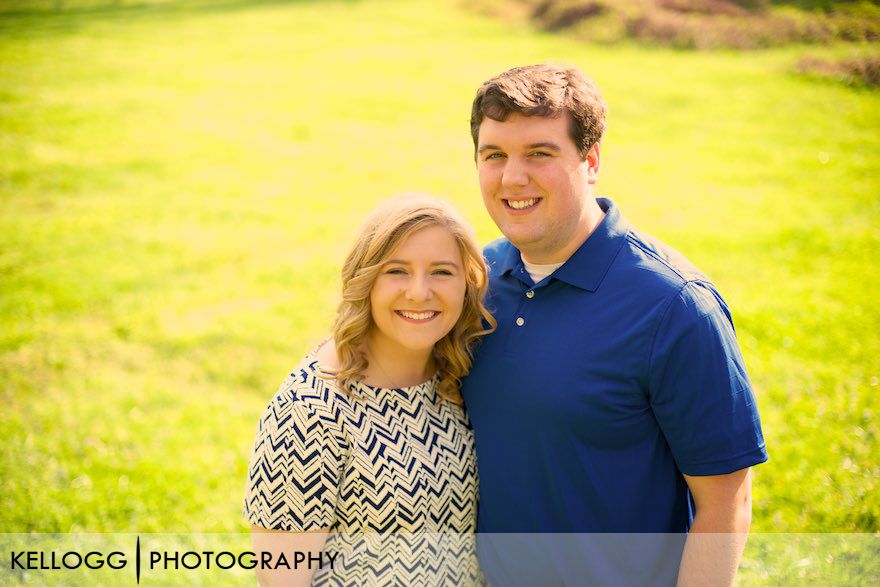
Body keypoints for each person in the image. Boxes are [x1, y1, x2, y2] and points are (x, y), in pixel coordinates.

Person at [460, 63, 768, 586]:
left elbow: (726, 507)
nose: (513, 177)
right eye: (495, 155)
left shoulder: (675, 308)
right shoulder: (475, 280)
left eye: (539, 153)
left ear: (591, 160)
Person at [243, 194, 495, 586]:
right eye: (397, 271)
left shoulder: (458, 375)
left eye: (442, 272)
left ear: (467, 284)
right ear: (366, 279)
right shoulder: (311, 410)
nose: (418, 292)